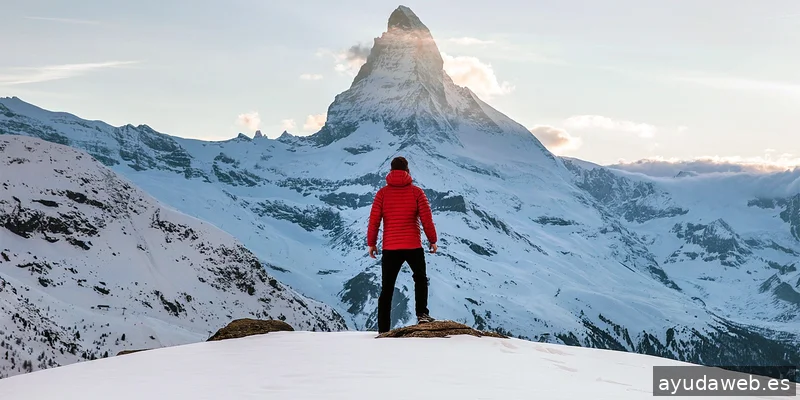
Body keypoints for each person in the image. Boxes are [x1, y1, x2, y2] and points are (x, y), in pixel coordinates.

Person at [367, 156, 438, 334]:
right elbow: (426, 219)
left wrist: (372, 243)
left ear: (390, 171)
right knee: (420, 278)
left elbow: (374, 221)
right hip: (413, 245)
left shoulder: (382, 194)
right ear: (407, 171)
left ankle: (383, 329)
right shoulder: (417, 192)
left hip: (390, 248)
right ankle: (422, 314)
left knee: (387, 288)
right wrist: (432, 240)